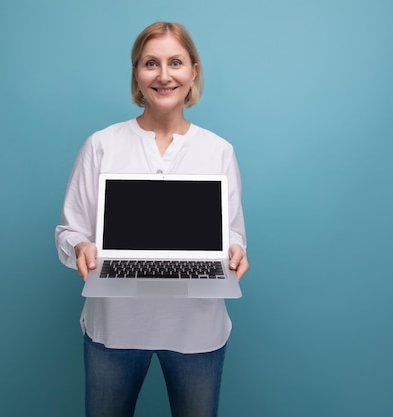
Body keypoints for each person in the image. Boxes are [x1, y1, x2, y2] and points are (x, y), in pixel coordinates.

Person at [55, 21, 249, 417]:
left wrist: (235, 251)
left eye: (175, 62)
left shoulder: (219, 151)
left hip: (197, 328)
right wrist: (80, 246)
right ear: (136, 74)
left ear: (193, 71)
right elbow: (69, 229)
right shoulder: (102, 145)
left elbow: (232, 233)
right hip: (115, 325)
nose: (163, 75)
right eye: (151, 63)